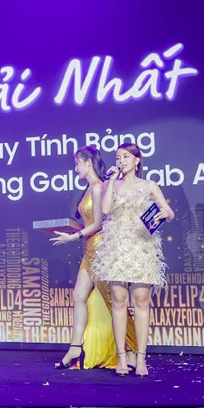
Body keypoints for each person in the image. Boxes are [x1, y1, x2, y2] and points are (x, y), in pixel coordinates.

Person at [49, 146, 138, 370]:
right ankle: (75, 348)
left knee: (113, 301)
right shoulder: (89, 189)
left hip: (101, 251)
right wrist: (72, 230)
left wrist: (73, 236)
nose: (75, 168)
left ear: (88, 163)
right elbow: (90, 223)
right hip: (89, 249)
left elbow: (98, 224)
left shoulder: (99, 187)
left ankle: (132, 350)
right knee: (79, 295)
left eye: (77, 163)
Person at [92, 142, 174, 377]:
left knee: (141, 301)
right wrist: (111, 181)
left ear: (137, 160)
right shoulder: (110, 184)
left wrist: (165, 213)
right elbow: (105, 210)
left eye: (126, 156)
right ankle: (121, 356)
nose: (121, 160)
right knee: (119, 301)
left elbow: (169, 213)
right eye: (118, 157)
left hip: (142, 246)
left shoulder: (148, 185)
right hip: (117, 247)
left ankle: (140, 358)